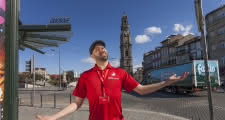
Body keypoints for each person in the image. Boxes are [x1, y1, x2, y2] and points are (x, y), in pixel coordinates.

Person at [36, 40, 188, 120]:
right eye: (97, 49)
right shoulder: (85, 76)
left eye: (103, 47)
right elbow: (76, 103)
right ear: (92, 56)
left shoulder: (120, 73)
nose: (102, 49)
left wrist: (166, 83)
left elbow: (141, 90)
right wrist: (53, 117)